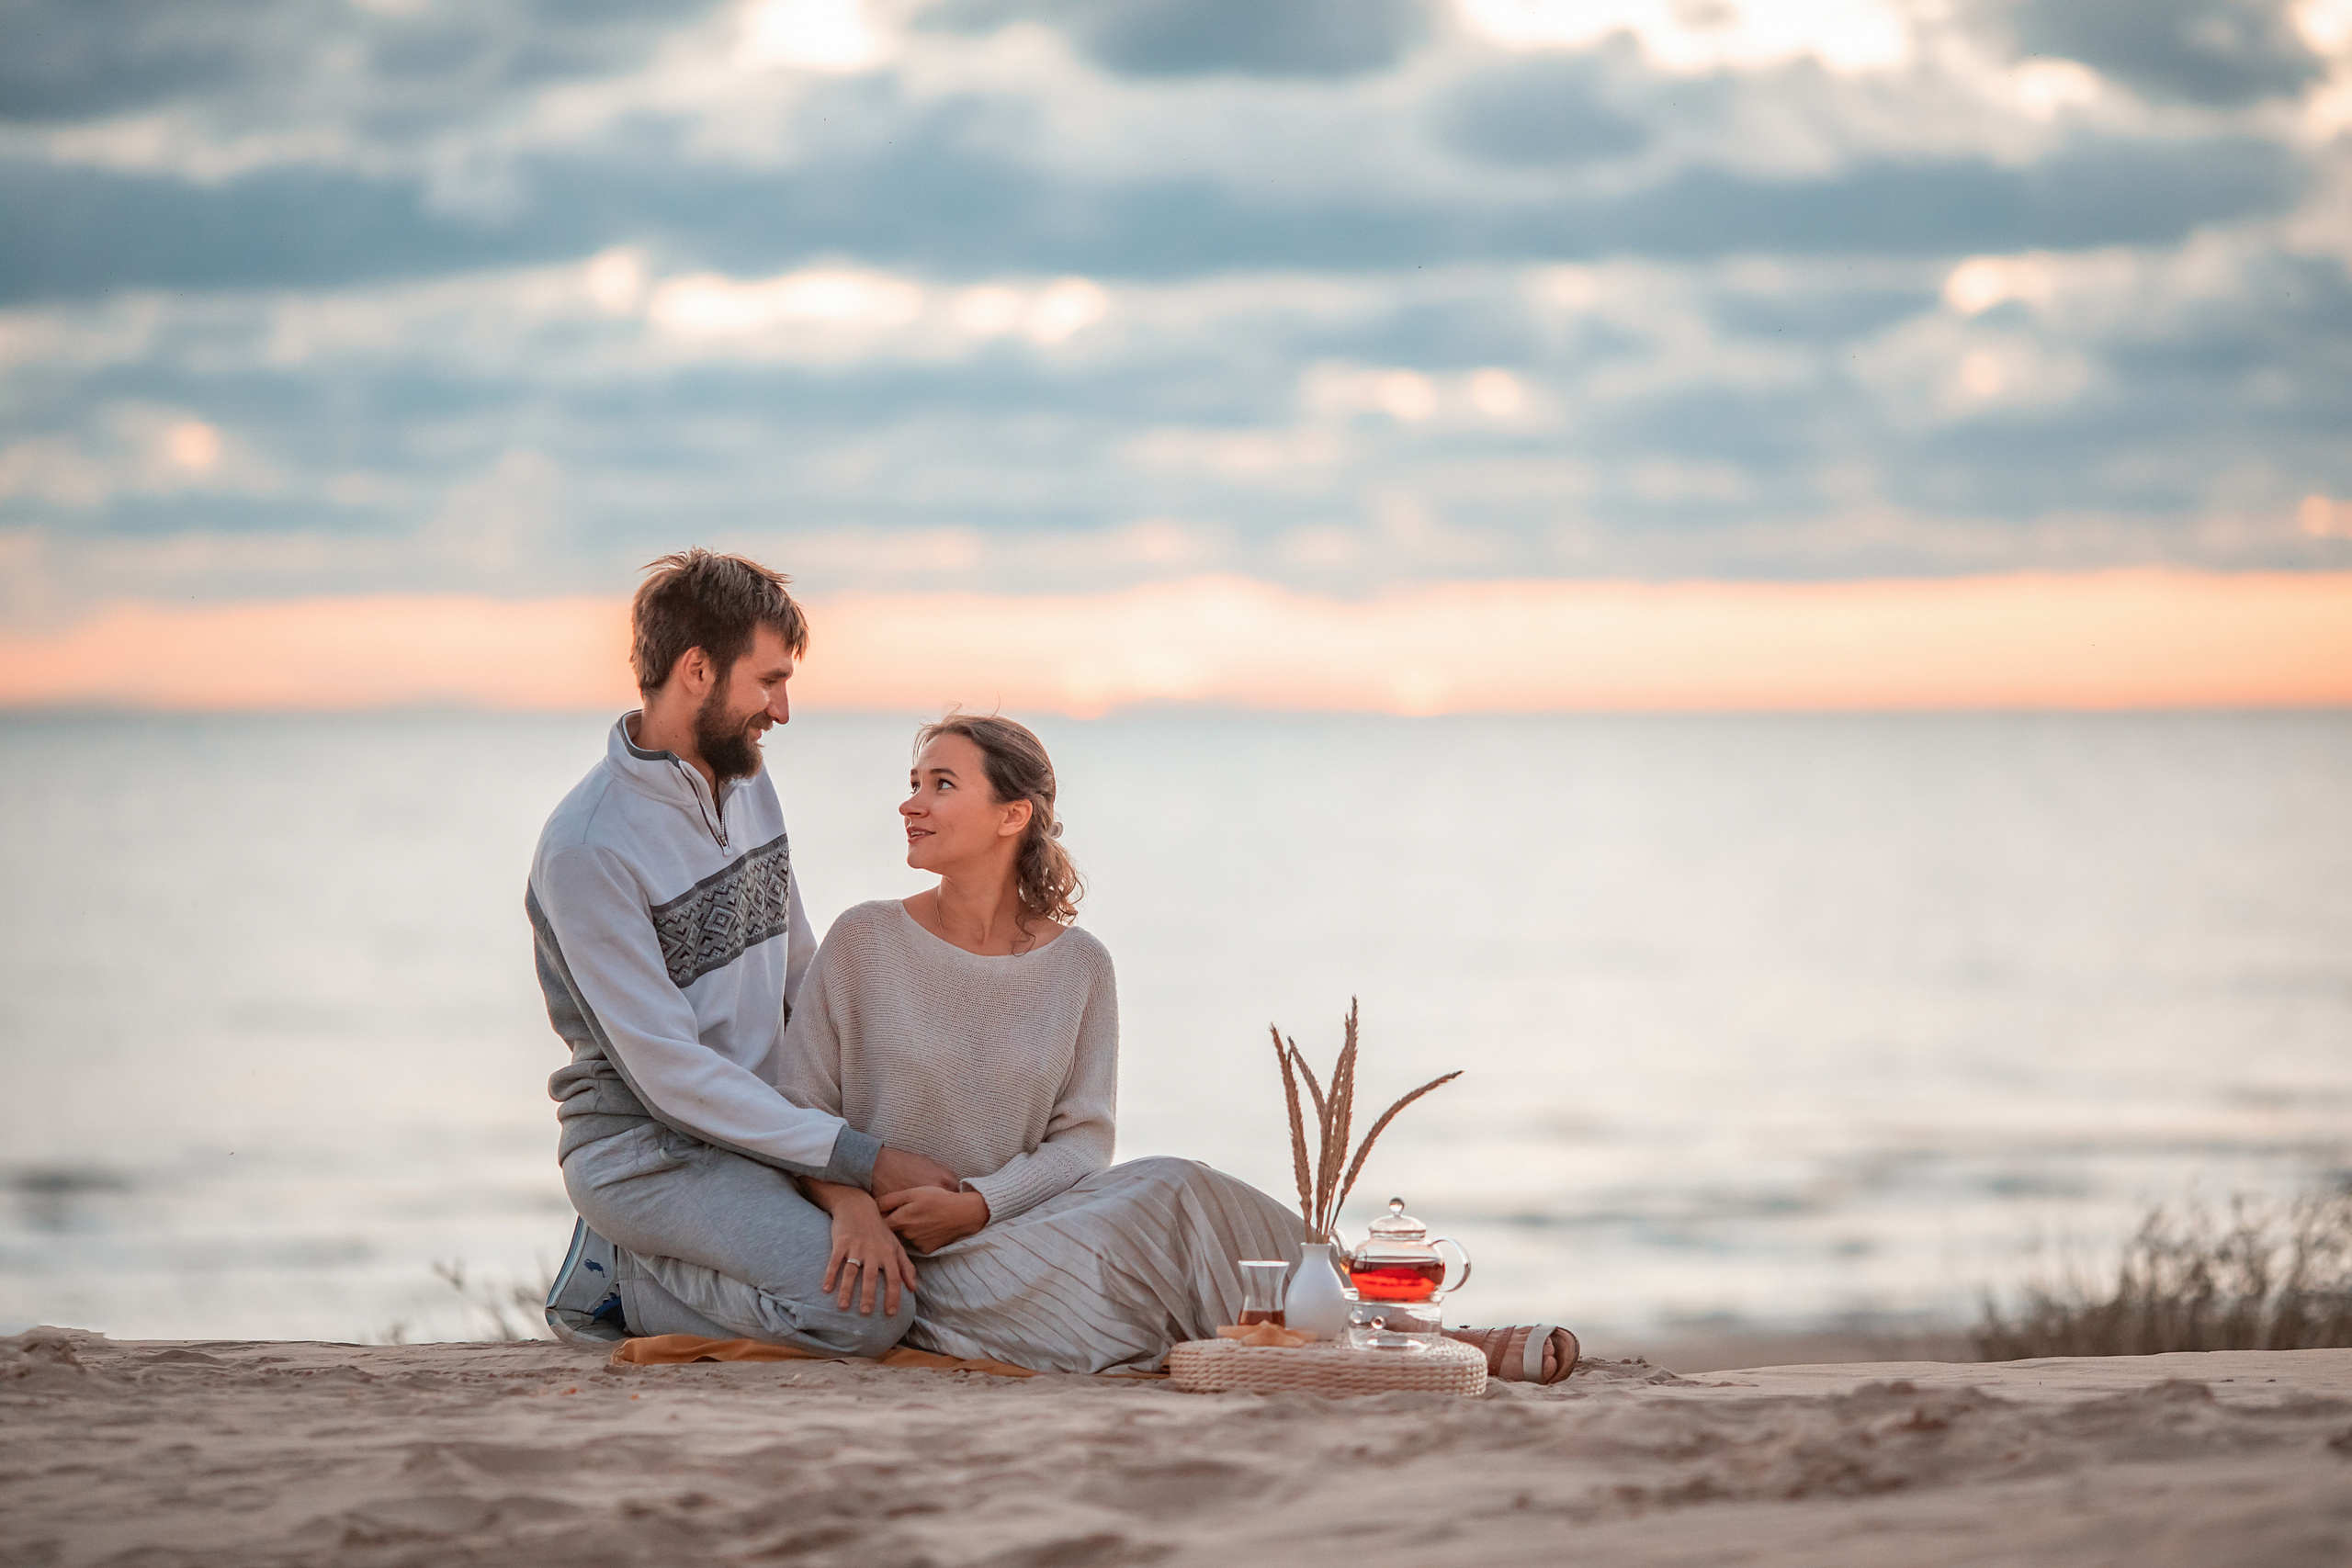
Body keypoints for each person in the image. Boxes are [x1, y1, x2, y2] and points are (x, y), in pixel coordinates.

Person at [774, 713, 1308, 1374]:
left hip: (1024, 1228)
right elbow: (796, 1110)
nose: (911, 804)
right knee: (1120, 1295)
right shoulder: (863, 939)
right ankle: (1340, 1327)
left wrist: (979, 1204)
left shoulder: (1082, 965)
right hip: (907, 1262)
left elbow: (1084, 1142)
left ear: (1011, 815)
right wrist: (853, 1207)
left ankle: (1365, 1314)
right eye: (915, 783)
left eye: (941, 784)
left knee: (1178, 1184)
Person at [532, 549, 951, 1353]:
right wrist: (852, 1165)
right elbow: (673, 1080)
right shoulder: (588, 847)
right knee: (869, 1311)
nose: (783, 710)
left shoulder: (748, 782)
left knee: (918, 1255)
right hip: (649, 1152)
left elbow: (801, 974)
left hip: (766, 1129)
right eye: (768, 681)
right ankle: (626, 1276)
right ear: (696, 669)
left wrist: (849, 1158)